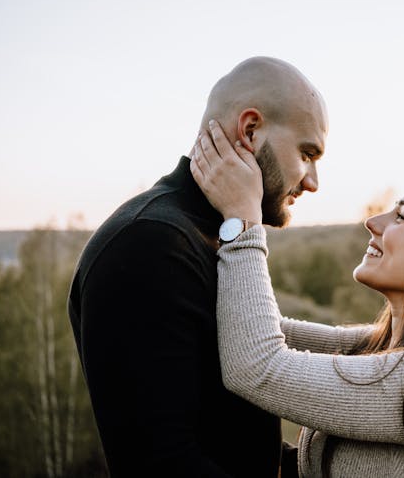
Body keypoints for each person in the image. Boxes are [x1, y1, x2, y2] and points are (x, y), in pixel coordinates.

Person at [190, 126, 404, 477]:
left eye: (401, 216)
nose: (373, 222)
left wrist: (242, 219)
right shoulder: (387, 345)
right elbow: (262, 331)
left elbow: (256, 365)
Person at [68, 56, 328, 477]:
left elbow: (233, 435)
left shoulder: (220, 232)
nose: (313, 180)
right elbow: (161, 463)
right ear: (250, 130)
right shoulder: (148, 242)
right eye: (307, 153)